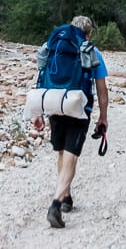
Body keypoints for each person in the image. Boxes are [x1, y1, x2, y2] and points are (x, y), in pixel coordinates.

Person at [32, 15, 109, 228]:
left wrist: (38, 112)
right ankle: (56, 203)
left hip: (54, 104)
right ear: (89, 32)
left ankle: (66, 196)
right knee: (71, 155)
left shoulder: (52, 46)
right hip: (78, 106)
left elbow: (41, 76)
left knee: (61, 152)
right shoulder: (92, 51)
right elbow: (102, 91)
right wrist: (103, 117)